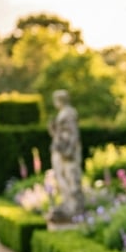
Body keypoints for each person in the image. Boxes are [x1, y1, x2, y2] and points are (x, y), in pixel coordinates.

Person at [47, 89, 83, 222]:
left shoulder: (69, 113)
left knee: (70, 177)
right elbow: (60, 133)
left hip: (67, 151)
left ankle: (74, 208)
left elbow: (73, 134)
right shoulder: (64, 113)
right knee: (61, 177)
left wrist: (69, 150)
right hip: (61, 149)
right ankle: (68, 205)